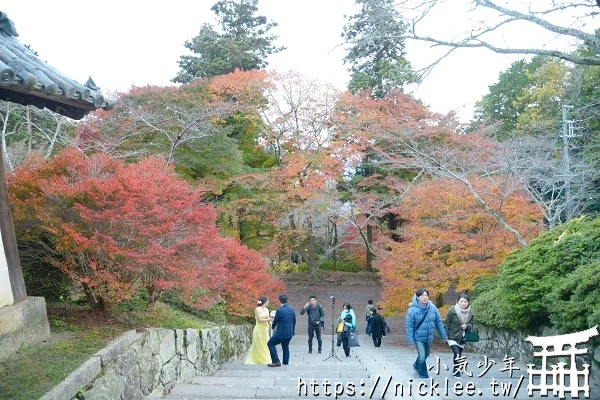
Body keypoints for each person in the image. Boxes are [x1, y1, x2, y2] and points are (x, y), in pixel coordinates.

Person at [406, 288, 447, 379]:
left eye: (426, 295)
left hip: (429, 336)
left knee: (426, 354)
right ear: (417, 297)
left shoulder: (433, 308)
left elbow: (438, 322)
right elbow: (409, 327)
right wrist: (411, 342)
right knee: (422, 356)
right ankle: (423, 375)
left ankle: (416, 366)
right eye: (422, 296)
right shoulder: (412, 310)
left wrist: (443, 335)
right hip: (418, 337)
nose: (425, 297)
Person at [443, 293, 475, 378]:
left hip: (462, 337)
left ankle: (455, 368)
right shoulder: (452, 311)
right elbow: (446, 323)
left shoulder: (470, 312)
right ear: (458, 302)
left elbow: (471, 324)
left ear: (468, 303)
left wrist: (467, 326)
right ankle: (457, 372)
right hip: (452, 336)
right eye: (462, 301)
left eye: (465, 302)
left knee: (459, 355)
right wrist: (445, 335)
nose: (463, 303)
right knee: (457, 353)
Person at [267, 294, 296, 367]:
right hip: (289, 332)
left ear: (279, 300)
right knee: (285, 346)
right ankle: (285, 362)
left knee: (270, 344)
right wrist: (293, 331)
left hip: (281, 332)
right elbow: (294, 321)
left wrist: (272, 326)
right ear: (287, 300)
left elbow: (276, 320)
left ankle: (276, 361)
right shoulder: (292, 309)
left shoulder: (279, 310)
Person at [245, 296, 274, 364]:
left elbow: (267, 319)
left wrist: (271, 322)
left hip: (265, 330)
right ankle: (257, 359)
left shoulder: (267, 309)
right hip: (258, 329)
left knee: (265, 344)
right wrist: (269, 319)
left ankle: (266, 358)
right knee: (258, 344)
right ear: (265, 301)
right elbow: (260, 320)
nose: (268, 302)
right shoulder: (257, 309)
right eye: (267, 301)